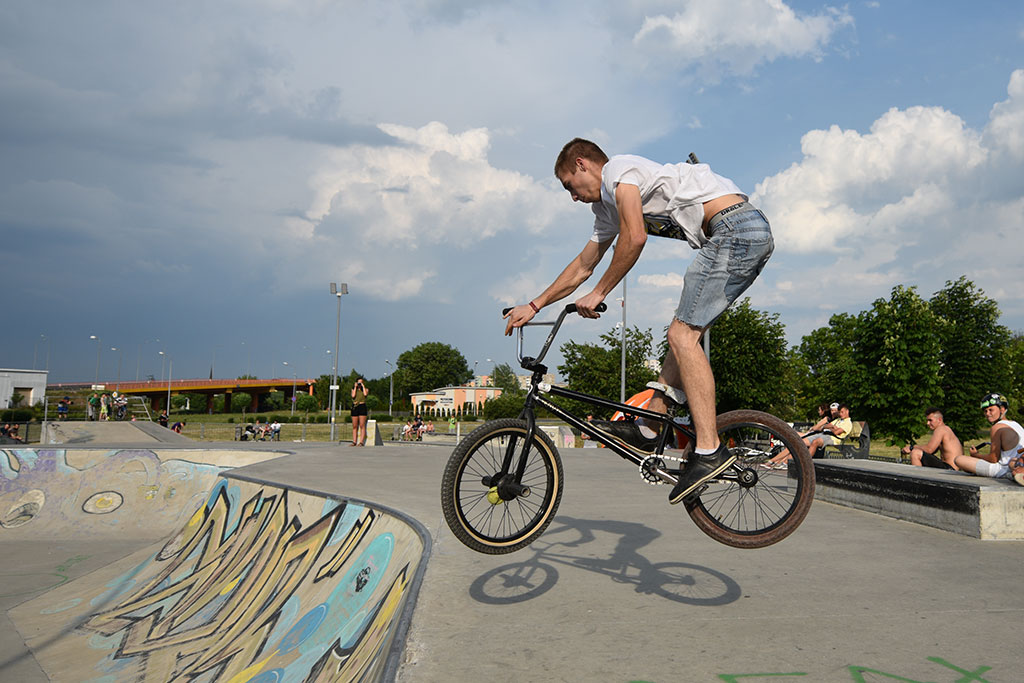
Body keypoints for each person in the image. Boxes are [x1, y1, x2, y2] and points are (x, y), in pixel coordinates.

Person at [505, 138, 774, 504]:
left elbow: (635, 236)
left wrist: (600, 293)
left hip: (735, 230)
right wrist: (535, 305)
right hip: (740, 235)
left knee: (682, 336)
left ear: (582, 164)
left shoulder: (619, 172)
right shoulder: (606, 209)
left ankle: (709, 450)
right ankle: (650, 424)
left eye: (570, 186)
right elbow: (583, 265)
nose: (573, 197)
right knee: (684, 335)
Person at [954, 394, 1024, 483]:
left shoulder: (997, 427)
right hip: (1017, 464)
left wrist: (976, 455)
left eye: (991, 410)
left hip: (1002, 469)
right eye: (985, 411)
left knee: (959, 459)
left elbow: (993, 459)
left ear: (1002, 409)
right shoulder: (1016, 424)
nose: (987, 414)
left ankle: (1009, 475)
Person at [766, 403, 853, 467]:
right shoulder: (838, 420)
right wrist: (832, 427)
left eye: (842, 412)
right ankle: (773, 460)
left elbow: (836, 433)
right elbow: (825, 426)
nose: (840, 414)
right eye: (840, 412)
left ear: (847, 411)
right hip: (823, 434)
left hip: (832, 438)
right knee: (798, 442)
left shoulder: (848, 423)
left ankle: (801, 464)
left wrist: (831, 427)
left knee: (815, 442)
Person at [350, 378, 369, 446]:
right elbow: (353, 396)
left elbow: (365, 394)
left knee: (362, 425)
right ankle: (354, 441)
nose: (359, 384)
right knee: (354, 426)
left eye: (361, 383)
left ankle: (361, 442)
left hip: (362, 406)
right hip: (355, 406)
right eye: (358, 383)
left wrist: (363, 386)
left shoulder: (365, 389)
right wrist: (355, 387)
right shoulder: (353, 389)